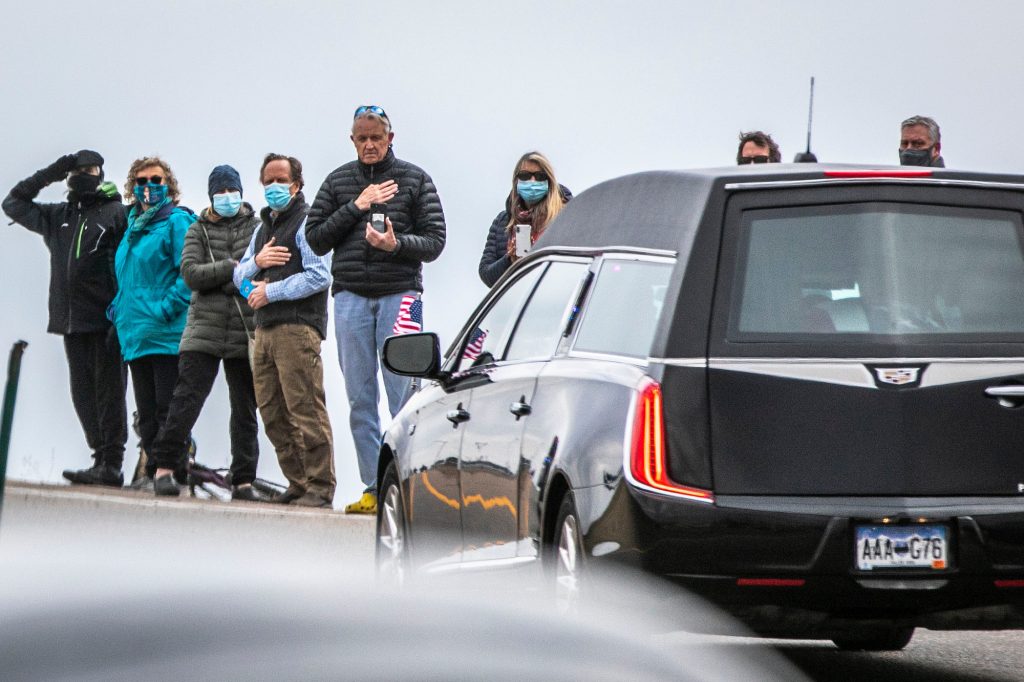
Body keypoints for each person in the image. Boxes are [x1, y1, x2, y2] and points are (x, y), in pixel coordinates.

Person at [306, 105, 446, 514]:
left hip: (402, 297)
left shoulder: (416, 179)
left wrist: (395, 244)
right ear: (352, 140)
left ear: (390, 138)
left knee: (404, 396)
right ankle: (374, 487)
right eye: (361, 138)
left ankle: (409, 487)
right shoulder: (338, 181)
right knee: (359, 399)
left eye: (376, 137)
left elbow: (435, 242)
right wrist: (357, 205)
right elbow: (314, 239)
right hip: (349, 298)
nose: (369, 144)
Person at [2, 150, 128, 486]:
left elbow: (128, 267)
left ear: (102, 174)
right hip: (71, 321)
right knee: (82, 393)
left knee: (110, 392)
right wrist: (51, 172)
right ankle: (98, 458)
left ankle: (112, 464)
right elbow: (13, 203)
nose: (87, 174)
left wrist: (121, 315)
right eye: (80, 169)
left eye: (93, 169)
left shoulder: (118, 213)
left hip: (108, 321)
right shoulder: (59, 215)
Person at [145, 165, 261, 500]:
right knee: (185, 401)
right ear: (211, 195)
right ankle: (164, 468)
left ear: (241, 192)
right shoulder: (197, 229)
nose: (227, 197)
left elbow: (259, 268)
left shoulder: (257, 227)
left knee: (245, 409)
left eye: (232, 190)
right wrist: (230, 270)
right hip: (202, 329)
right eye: (220, 192)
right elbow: (191, 274)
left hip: (244, 327)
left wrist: (232, 278)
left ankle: (243, 481)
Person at [233, 154, 335, 508]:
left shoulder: (307, 224)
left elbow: (320, 275)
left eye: (281, 180)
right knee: (272, 411)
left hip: (297, 328)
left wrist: (270, 291)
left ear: (296, 184)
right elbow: (238, 277)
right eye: (268, 181)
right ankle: (298, 482)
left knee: (305, 407)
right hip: (263, 332)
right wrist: (256, 270)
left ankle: (320, 487)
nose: (274, 187)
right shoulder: (263, 230)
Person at [108, 157, 194, 496]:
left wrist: (166, 308)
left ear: (168, 184)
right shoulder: (132, 225)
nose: (148, 185)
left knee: (166, 407)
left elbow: (187, 273)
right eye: (141, 179)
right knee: (144, 411)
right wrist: (118, 308)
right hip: (135, 332)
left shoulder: (175, 221)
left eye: (156, 179)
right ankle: (154, 469)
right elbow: (129, 277)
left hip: (165, 330)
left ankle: (168, 471)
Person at [478, 152, 571, 287]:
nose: (532, 181)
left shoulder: (566, 217)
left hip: (555, 296)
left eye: (540, 176)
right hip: (516, 299)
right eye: (525, 176)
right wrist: (510, 260)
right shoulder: (503, 221)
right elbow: (486, 275)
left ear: (549, 181)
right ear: (516, 180)